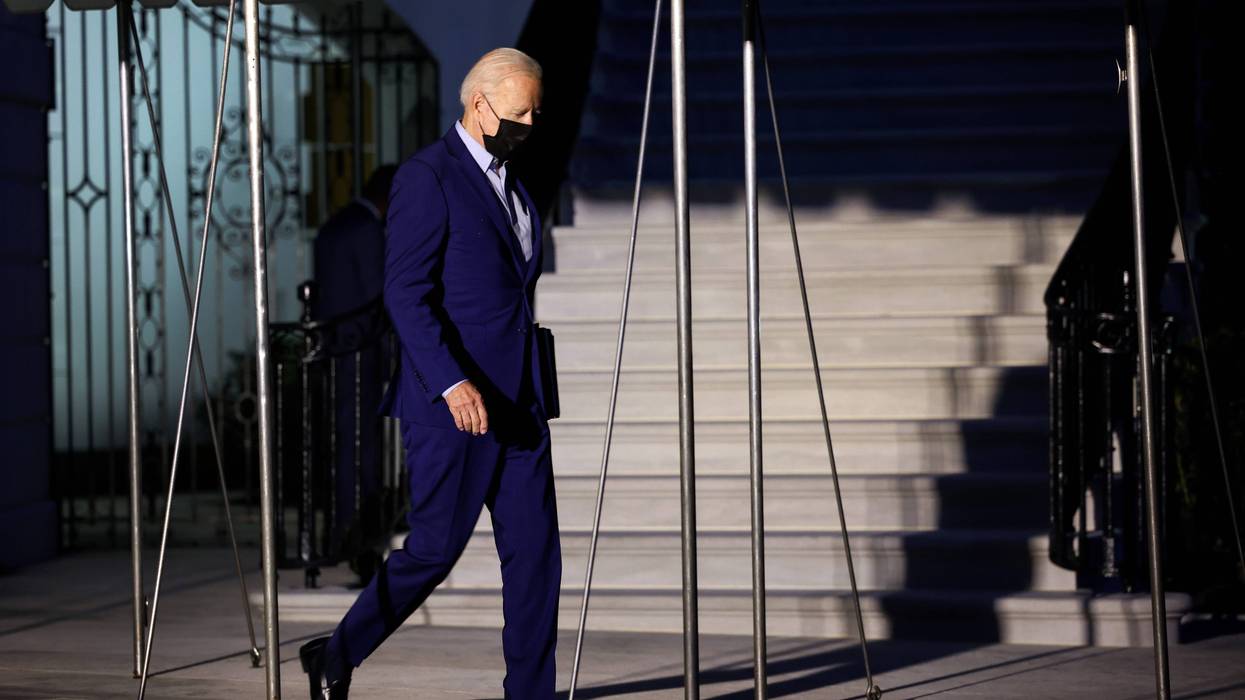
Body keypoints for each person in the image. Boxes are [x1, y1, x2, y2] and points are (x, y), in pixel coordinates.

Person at [300, 47, 560, 699]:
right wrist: (449, 381)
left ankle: (530, 693)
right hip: (455, 407)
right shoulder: (428, 177)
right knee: (433, 551)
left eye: (537, 109)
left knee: (535, 559)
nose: (532, 121)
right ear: (480, 105)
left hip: (520, 404)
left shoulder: (512, 182)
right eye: (522, 110)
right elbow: (404, 293)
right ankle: (336, 653)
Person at [313, 165, 396, 567]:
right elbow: (379, 293)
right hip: (359, 350)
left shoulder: (336, 225)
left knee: (345, 443)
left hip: (336, 350)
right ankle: (358, 533)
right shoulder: (366, 230)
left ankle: (344, 528)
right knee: (361, 446)